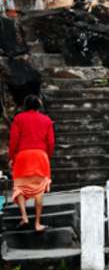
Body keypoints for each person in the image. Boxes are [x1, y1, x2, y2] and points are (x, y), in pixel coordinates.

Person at [9, 95, 55, 232]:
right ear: (38, 106)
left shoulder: (18, 119)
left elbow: (13, 140)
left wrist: (12, 157)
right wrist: (47, 155)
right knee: (39, 190)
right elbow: (51, 142)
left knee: (20, 188)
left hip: (22, 156)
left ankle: (24, 216)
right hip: (40, 156)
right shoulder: (46, 120)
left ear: (25, 105)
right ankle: (37, 223)